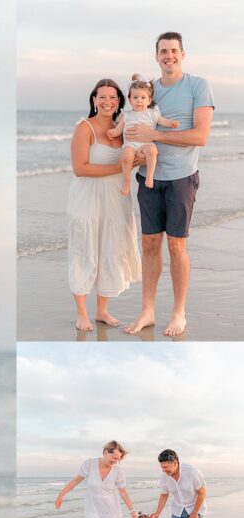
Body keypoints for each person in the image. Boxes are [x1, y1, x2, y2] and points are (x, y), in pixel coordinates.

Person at [124, 32, 215, 337]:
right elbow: (132, 122)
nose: (169, 56)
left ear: (182, 54)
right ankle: (147, 311)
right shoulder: (148, 89)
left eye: (174, 51)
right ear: (156, 56)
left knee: (176, 245)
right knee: (149, 244)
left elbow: (200, 136)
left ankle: (179, 313)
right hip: (148, 177)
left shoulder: (198, 86)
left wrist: (156, 137)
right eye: (163, 51)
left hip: (181, 177)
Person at [67, 79, 141, 332]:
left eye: (113, 97)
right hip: (87, 200)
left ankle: (102, 311)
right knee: (85, 251)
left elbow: (135, 156)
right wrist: (120, 168)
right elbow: (80, 169)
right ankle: (82, 313)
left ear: (120, 100)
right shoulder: (84, 127)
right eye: (102, 97)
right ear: (94, 100)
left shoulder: (125, 128)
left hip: (116, 200)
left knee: (111, 248)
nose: (108, 101)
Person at [107, 75, 178, 195]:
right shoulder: (127, 115)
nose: (139, 100)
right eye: (135, 97)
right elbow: (119, 129)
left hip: (146, 143)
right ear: (130, 100)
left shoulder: (152, 114)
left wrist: (171, 123)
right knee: (125, 156)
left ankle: (149, 176)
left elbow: (163, 121)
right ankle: (127, 180)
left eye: (143, 98)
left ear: (149, 100)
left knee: (152, 150)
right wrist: (113, 132)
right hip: (130, 144)